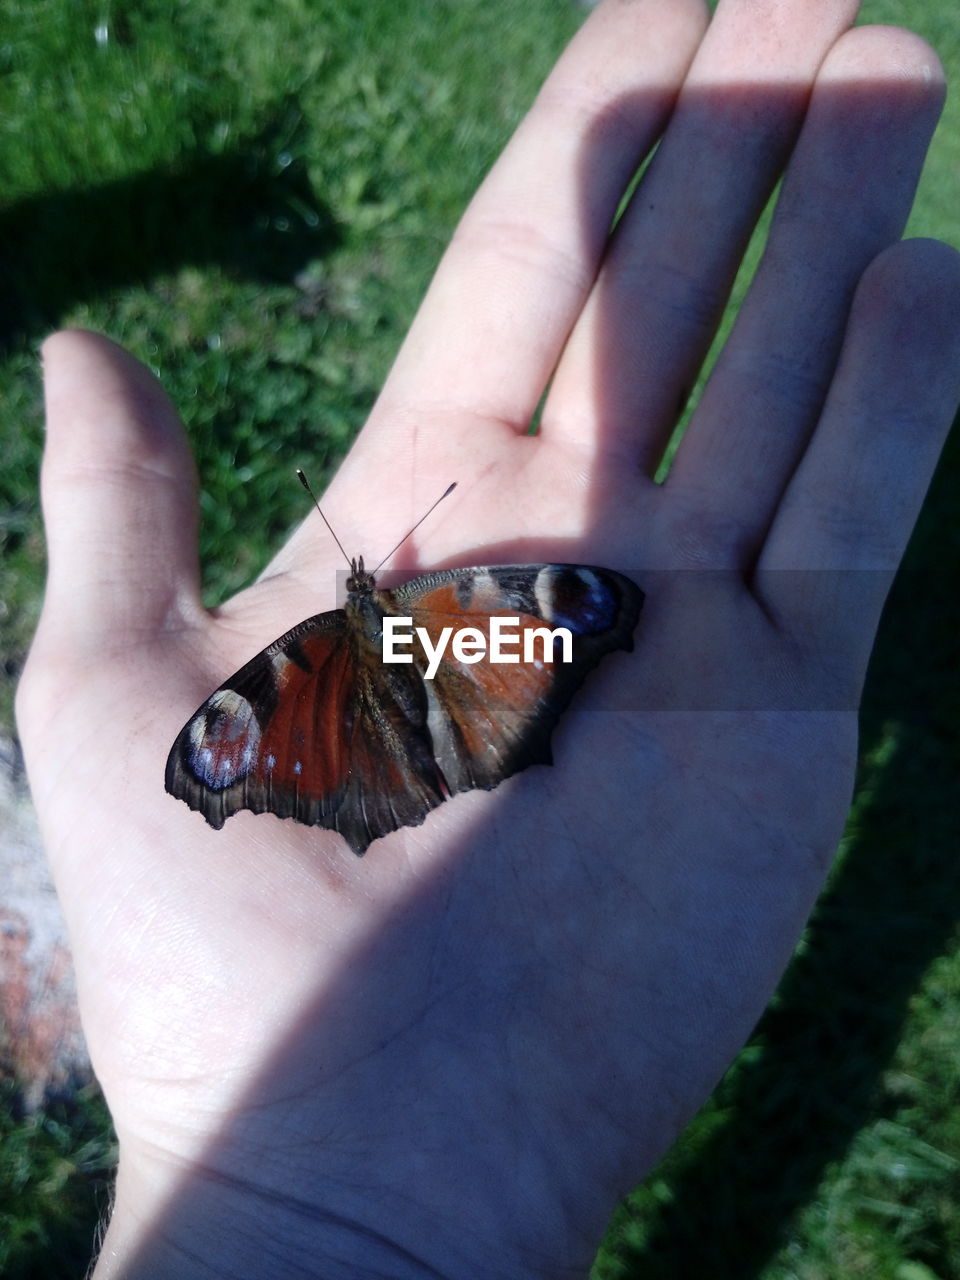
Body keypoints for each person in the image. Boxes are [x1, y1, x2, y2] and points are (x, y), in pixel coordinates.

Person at [16, 0, 960, 1275]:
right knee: (481, 657)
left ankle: (403, 758)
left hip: (359, 747)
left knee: (396, 690)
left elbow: (249, 730)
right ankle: (450, 744)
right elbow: (269, 723)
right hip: (455, 707)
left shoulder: (307, 667)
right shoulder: (444, 613)